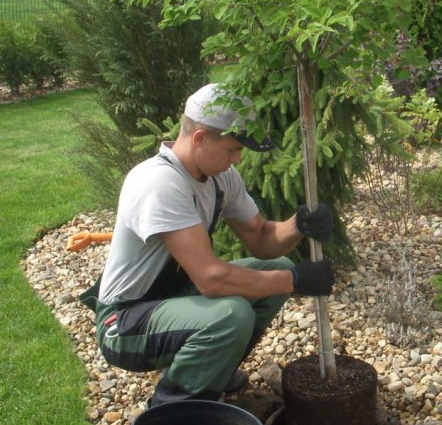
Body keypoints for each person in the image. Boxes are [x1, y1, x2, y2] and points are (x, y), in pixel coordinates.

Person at [80, 83, 335, 407]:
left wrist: (298, 225)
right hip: (125, 321)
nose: (238, 159)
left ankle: (211, 367)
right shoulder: (160, 183)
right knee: (232, 315)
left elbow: (261, 239)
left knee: (278, 268)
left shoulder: (219, 177)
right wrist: (297, 282)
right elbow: (211, 279)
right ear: (200, 138)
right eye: (232, 149)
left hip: (173, 299)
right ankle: (173, 413)